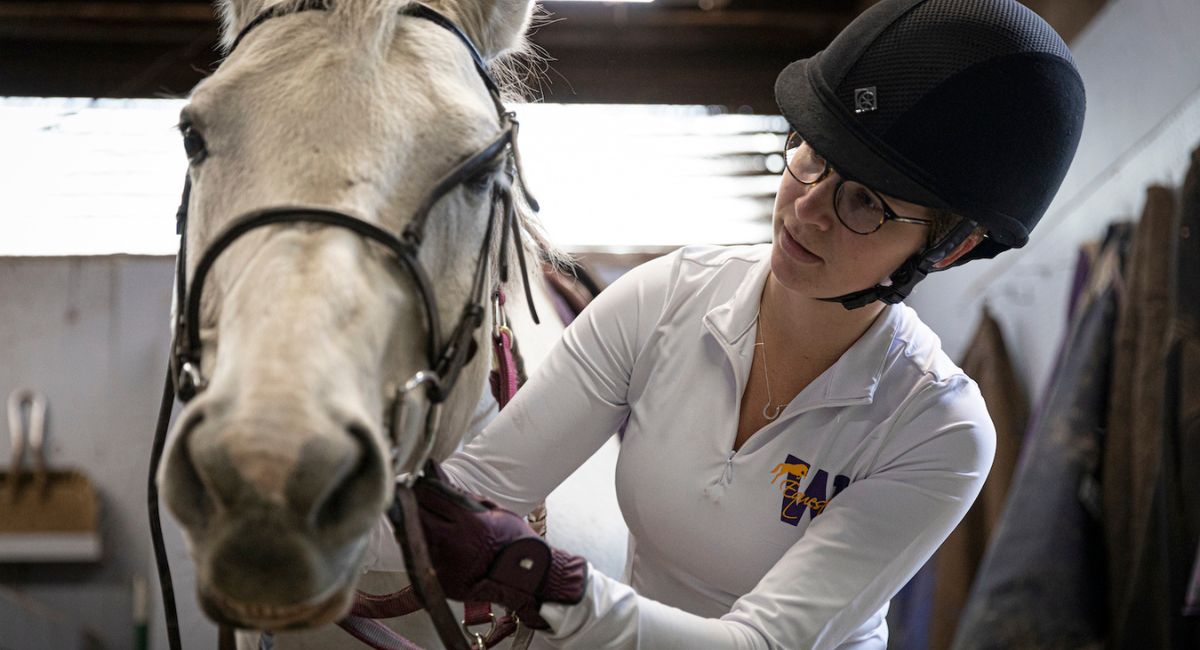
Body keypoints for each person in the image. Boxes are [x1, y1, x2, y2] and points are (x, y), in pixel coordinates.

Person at [372, 0, 1087, 647]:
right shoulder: (663, 300)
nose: (806, 207)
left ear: (950, 245)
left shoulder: (938, 429)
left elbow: (765, 644)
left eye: (863, 202)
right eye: (813, 156)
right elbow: (476, 492)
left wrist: (547, 584)